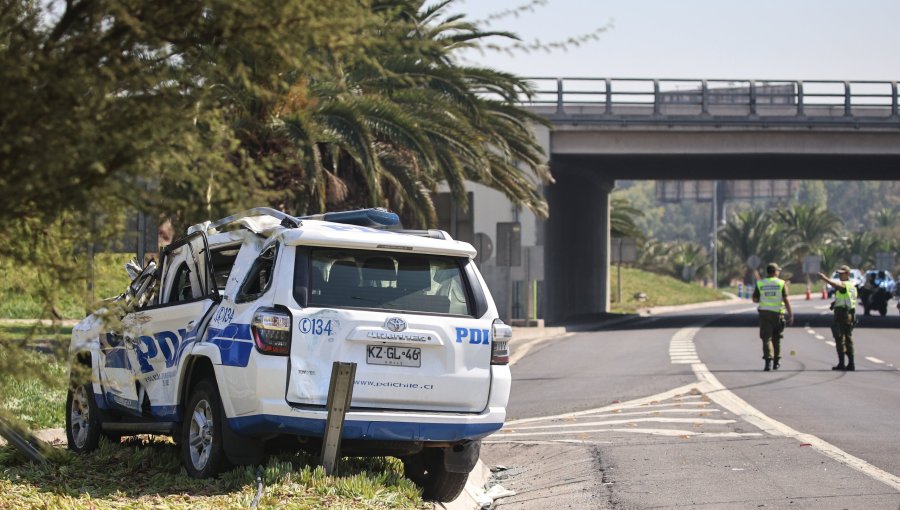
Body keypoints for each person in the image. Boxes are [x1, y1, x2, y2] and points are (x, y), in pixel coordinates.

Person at [752, 262, 793, 371]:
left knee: (767, 338)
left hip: (765, 314)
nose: (779, 272)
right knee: (777, 338)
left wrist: (765, 299)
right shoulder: (781, 283)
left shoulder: (760, 283)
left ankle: (768, 362)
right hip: (778, 313)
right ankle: (777, 361)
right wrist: (791, 314)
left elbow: (755, 299)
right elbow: (786, 299)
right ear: (775, 272)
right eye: (778, 271)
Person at [818, 265, 859, 371]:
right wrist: (834, 303)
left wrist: (825, 279)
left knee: (840, 339)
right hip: (848, 314)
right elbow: (846, 299)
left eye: (842, 273)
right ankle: (851, 363)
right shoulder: (852, 286)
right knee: (848, 339)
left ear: (848, 274)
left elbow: (837, 286)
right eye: (839, 273)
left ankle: (843, 363)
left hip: (843, 316)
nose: (840, 275)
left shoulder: (845, 285)